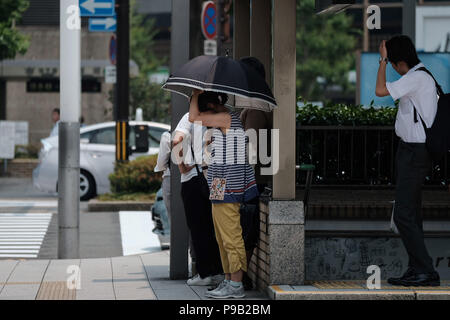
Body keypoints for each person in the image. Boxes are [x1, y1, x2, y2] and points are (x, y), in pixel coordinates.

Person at [375, 35, 440, 287]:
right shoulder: (419, 76)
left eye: (391, 62)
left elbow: (380, 91)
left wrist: (381, 59)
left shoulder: (417, 78)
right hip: (410, 151)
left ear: (399, 61)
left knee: (402, 213)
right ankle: (416, 269)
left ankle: (426, 270)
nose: (390, 66)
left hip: (415, 152)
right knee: (411, 213)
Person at [188, 89, 259, 299]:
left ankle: (236, 285)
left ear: (211, 106)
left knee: (231, 236)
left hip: (230, 185)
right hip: (220, 184)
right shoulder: (222, 122)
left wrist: (194, 94)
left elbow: (194, 118)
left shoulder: (227, 117)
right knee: (221, 237)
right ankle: (228, 281)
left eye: (204, 109)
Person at [172, 110, 224, 287]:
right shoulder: (223, 116)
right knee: (218, 225)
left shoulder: (189, 117)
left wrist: (182, 166)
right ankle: (222, 272)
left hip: (193, 178)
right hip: (218, 180)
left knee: (198, 227)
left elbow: (176, 140)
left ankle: (205, 274)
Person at [239, 57, 272, 290]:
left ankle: (238, 279)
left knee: (245, 230)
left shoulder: (256, 107)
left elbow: (251, 147)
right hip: (255, 178)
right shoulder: (258, 102)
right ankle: (239, 277)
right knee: (244, 230)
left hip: (251, 180)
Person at [154, 130, 172, 234]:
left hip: (219, 182)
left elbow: (161, 164)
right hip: (217, 182)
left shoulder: (173, 133)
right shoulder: (210, 131)